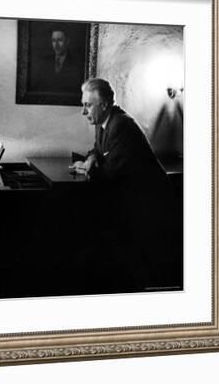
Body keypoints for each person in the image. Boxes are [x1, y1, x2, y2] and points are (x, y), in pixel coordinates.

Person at [71, 78, 179, 291]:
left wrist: (86, 167)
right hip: (131, 198)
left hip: (150, 204)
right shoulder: (104, 122)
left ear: (103, 104)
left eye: (87, 105)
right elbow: (98, 150)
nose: (84, 111)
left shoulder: (121, 125)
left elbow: (110, 173)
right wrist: (92, 158)